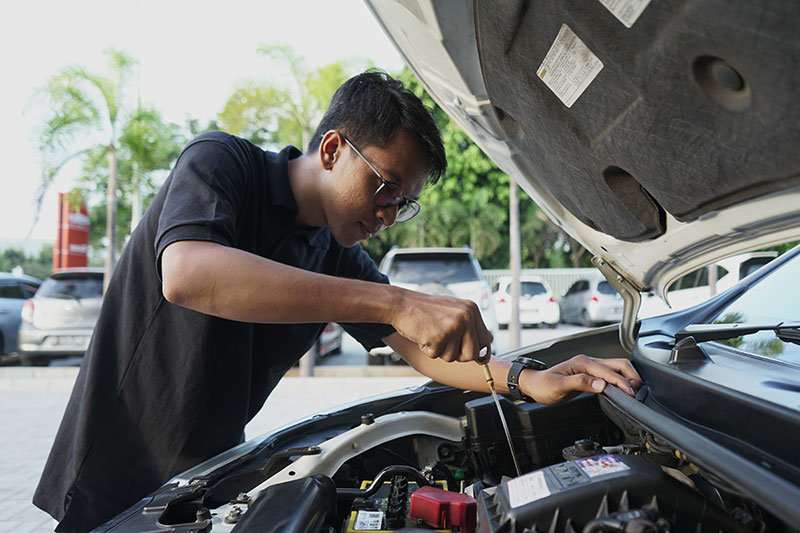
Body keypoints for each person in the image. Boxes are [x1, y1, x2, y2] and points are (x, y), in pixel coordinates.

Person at [33, 70, 641, 532]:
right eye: (385, 186)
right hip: (117, 479)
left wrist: (532, 380)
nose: (389, 212)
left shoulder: (335, 254)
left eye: (403, 201)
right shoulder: (221, 165)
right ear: (331, 150)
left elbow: (424, 354)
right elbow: (187, 273)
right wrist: (393, 301)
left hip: (206, 483)